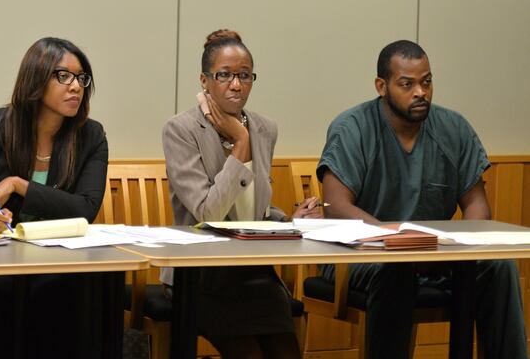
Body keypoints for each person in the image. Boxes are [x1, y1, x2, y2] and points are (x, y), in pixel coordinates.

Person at [317, 40, 527, 359]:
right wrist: (397, 242)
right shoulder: (353, 127)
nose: (421, 92)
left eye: (426, 82)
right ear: (381, 86)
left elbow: (476, 205)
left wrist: (461, 246)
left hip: (435, 254)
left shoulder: (453, 127)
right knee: (397, 269)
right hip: (359, 255)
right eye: (407, 84)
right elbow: (336, 206)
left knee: (499, 266)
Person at [161, 29, 321, 359]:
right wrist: (241, 143)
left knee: (287, 355)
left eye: (245, 76)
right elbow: (209, 214)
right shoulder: (181, 130)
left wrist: (291, 219)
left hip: (253, 274)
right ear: (204, 81)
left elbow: (251, 210)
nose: (236, 85)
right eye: (225, 75)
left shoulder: (266, 128)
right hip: (201, 277)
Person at [0, 37, 108, 359]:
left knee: (69, 298)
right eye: (63, 76)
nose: (76, 86)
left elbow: (85, 210)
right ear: (35, 78)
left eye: (82, 78)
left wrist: (18, 185)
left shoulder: (91, 136)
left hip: (59, 264)